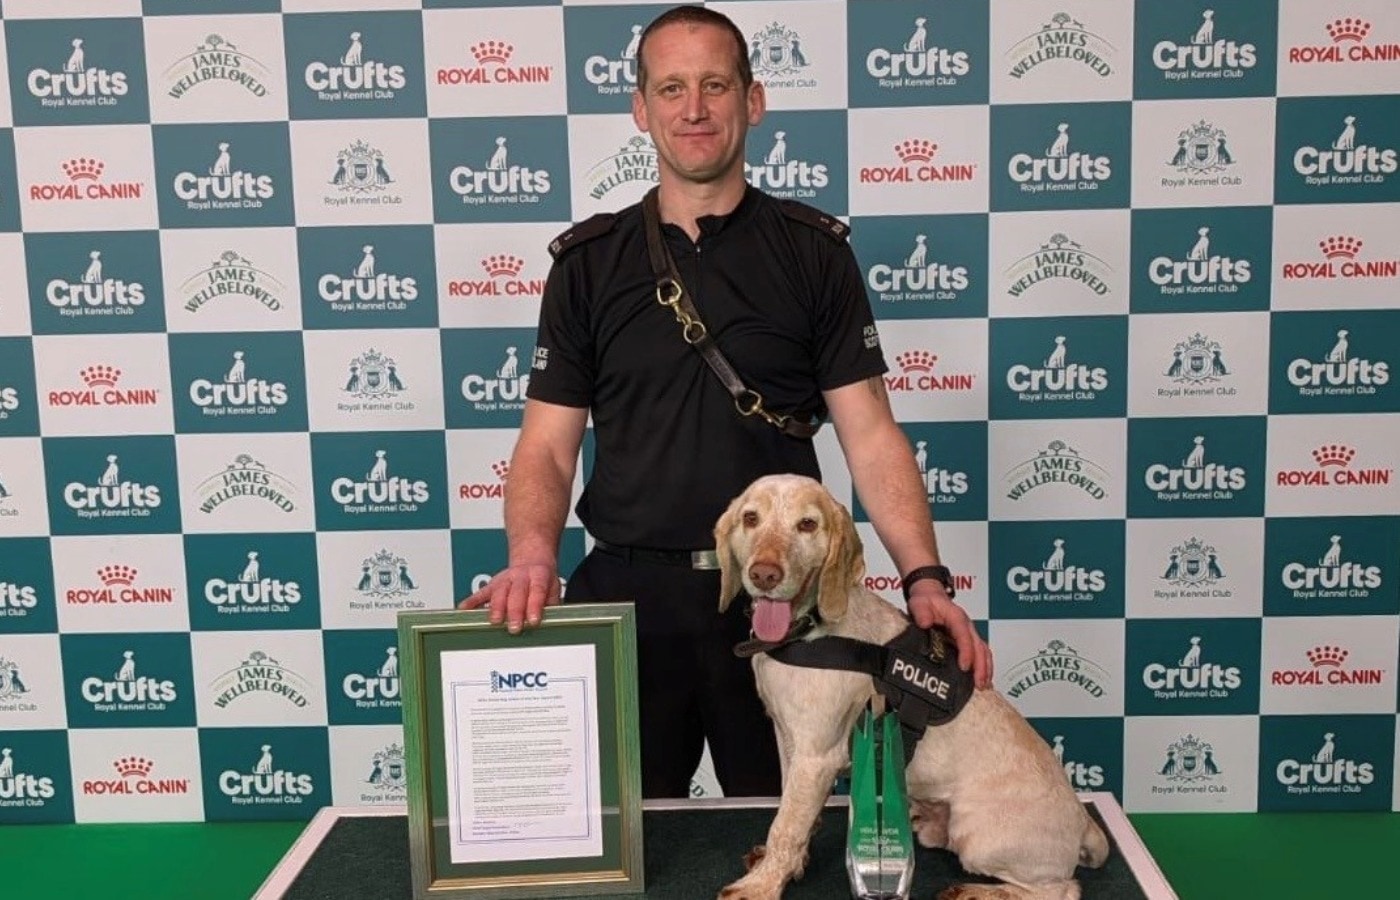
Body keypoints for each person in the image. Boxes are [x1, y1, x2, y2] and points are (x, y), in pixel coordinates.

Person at [461, 4, 991, 800]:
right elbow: (546, 446)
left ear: (754, 100)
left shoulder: (813, 255)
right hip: (628, 601)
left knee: (784, 835)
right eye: (671, 88)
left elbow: (871, 435)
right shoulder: (587, 264)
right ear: (641, 109)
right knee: (620, 837)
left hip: (776, 597)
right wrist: (533, 558)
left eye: (715, 84)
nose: (694, 108)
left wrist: (924, 579)